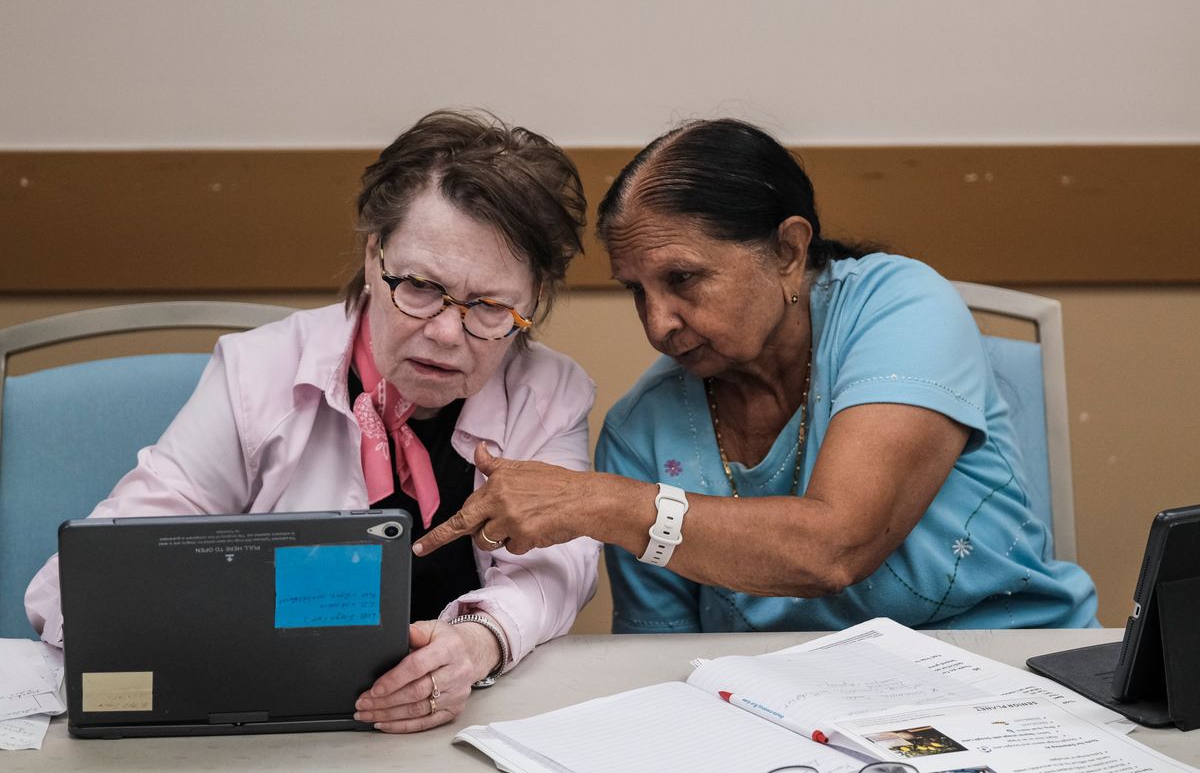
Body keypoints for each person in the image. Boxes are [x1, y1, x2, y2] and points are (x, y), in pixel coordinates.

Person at [25, 109, 600, 732]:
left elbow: (559, 568)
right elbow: (94, 575)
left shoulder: (550, 392)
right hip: (273, 722)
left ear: (533, 300)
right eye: (420, 287)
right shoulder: (257, 372)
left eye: (489, 306)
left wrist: (478, 641)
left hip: (464, 721)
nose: (444, 332)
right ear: (373, 252)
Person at [415, 117, 1099, 633]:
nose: (658, 324)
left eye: (684, 279)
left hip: (1009, 677)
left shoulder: (901, 306)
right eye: (637, 291)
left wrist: (606, 502)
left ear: (788, 250)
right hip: (791, 728)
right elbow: (661, 666)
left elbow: (836, 548)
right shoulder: (639, 430)